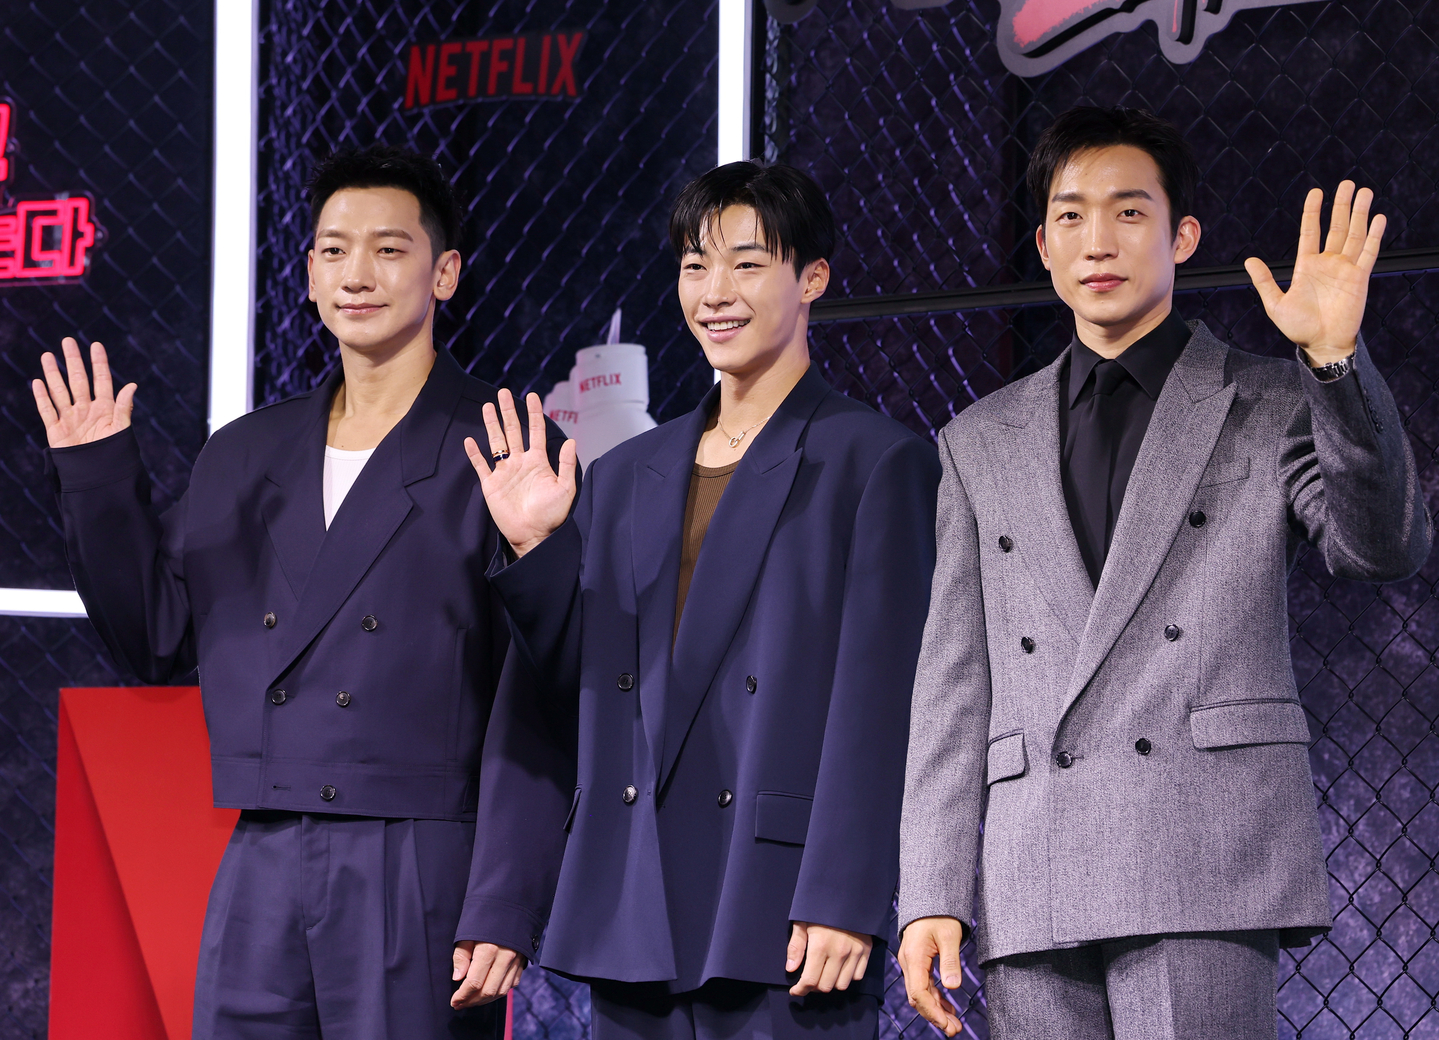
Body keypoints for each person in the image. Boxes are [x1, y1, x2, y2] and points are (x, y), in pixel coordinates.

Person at [896, 106, 1432, 1040]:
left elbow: (1380, 547)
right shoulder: (976, 441)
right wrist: (930, 891)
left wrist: (1333, 362)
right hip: (1036, 863)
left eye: (1128, 212)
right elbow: (951, 685)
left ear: (1181, 235)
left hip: (1201, 848)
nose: (1097, 240)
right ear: (1043, 245)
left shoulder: (1266, 399)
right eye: (1070, 216)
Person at [33, 144, 569, 1038]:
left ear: (444, 274)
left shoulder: (502, 444)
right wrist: (96, 482)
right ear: (310, 276)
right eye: (333, 250)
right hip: (261, 850)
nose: (357, 273)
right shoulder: (246, 452)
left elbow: (542, 698)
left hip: (420, 854)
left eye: (389, 250)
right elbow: (157, 642)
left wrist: (503, 901)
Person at [466, 160, 940, 1040]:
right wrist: (535, 550)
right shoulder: (619, 476)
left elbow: (881, 703)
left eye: (746, 264)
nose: (714, 293)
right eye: (694, 265)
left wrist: (843, 891)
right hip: (633, 906)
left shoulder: (874, 461)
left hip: (783, 910)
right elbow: (570, 688)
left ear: (811, 280)